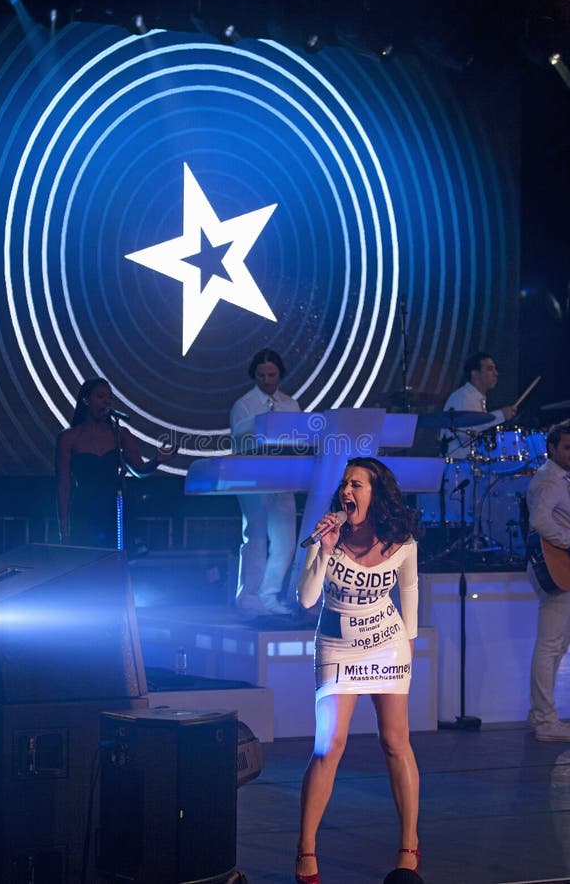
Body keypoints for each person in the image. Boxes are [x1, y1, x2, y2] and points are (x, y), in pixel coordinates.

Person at [295, 457, 421, 883]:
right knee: (329, 746)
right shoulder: (326, 534)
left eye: (358, 484)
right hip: (337, 645)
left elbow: (409, 592)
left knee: (394, 742)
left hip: (387, 645)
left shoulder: (401, 542)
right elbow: (307, 600)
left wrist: (409, 643)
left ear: (376, 493)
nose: (347, 491)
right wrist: (324, 549)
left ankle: (408, 845)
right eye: (345, 484)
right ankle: (306, 850)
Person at [56, 377, 175, 548]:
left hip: (113, 508)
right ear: (86, 400)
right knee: (85, 564)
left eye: (109, 397)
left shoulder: (120, 434)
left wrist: (157, 460)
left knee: (113, 563)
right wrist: (64, 528)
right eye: (100, 396)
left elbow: (139, 469)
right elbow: (63, 485)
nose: (107, 401)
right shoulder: (68, 437)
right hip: (84, 510)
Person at [230, 349, 300, 619]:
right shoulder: (244, 404)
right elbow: (240, 441)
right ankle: (248, 597)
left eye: (272, 374)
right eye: (261, 375)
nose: (267, 380)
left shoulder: (290, 404)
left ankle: (269, 596)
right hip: (253, 478)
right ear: (254, 375)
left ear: (280, 373)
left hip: (283, 478)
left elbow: (299, 439)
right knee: (256, 537)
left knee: (285, 541)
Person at [525, 419, 570, 742]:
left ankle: (541, 715)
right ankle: (544, 719)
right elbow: (539, 521)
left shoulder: (560, 479)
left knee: (557, 644)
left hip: (559, 563)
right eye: (566, 447)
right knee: (551, 644)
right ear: (551, 448)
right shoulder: (549, 480)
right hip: (553, 564)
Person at [440, 352, 517, 458]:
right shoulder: (463, 396)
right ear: (475, 373)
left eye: (495, 369)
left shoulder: (476, 397)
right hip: (458, 463)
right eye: (490, 369)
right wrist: (501, 415)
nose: (496, 373)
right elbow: (469, 429)